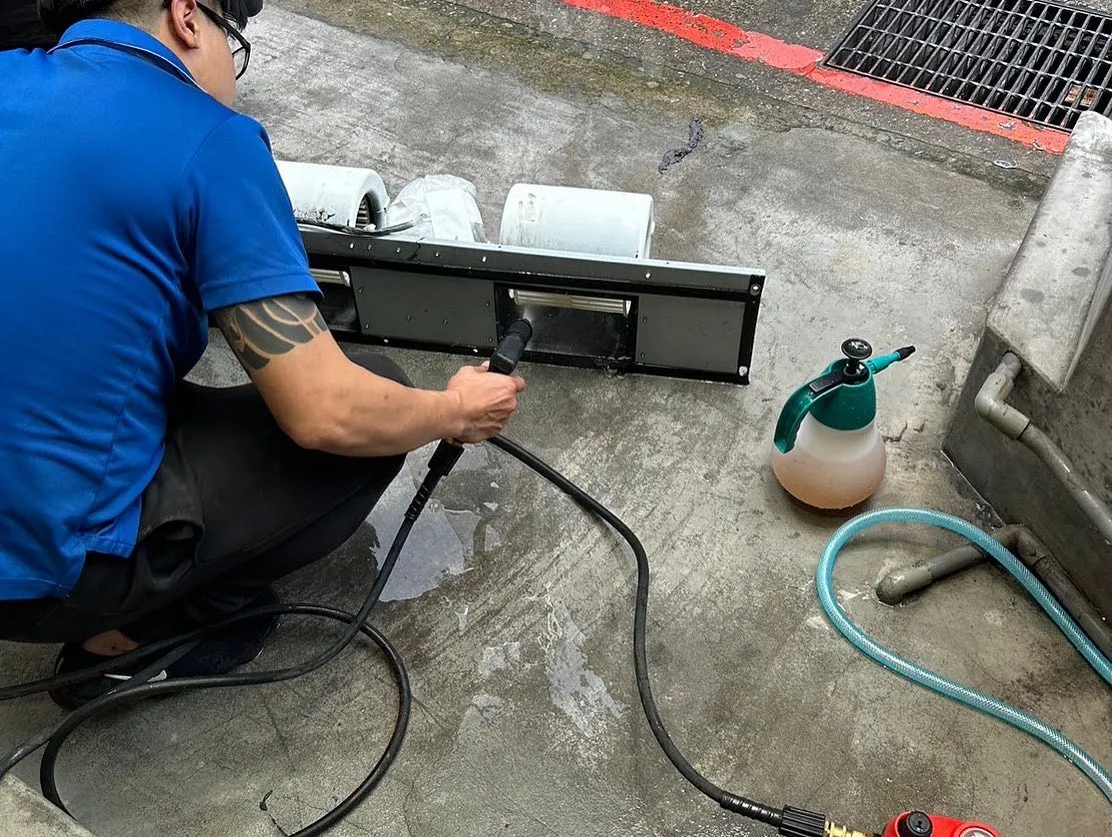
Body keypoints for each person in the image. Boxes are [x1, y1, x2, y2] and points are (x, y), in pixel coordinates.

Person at [0, 0, 525, 709]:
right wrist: (454, 409)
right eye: (234, 40)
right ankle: (138, 639)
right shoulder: (207, 138)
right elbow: (325, 412)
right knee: (370, 407)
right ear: (188, 16)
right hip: (36, 580)